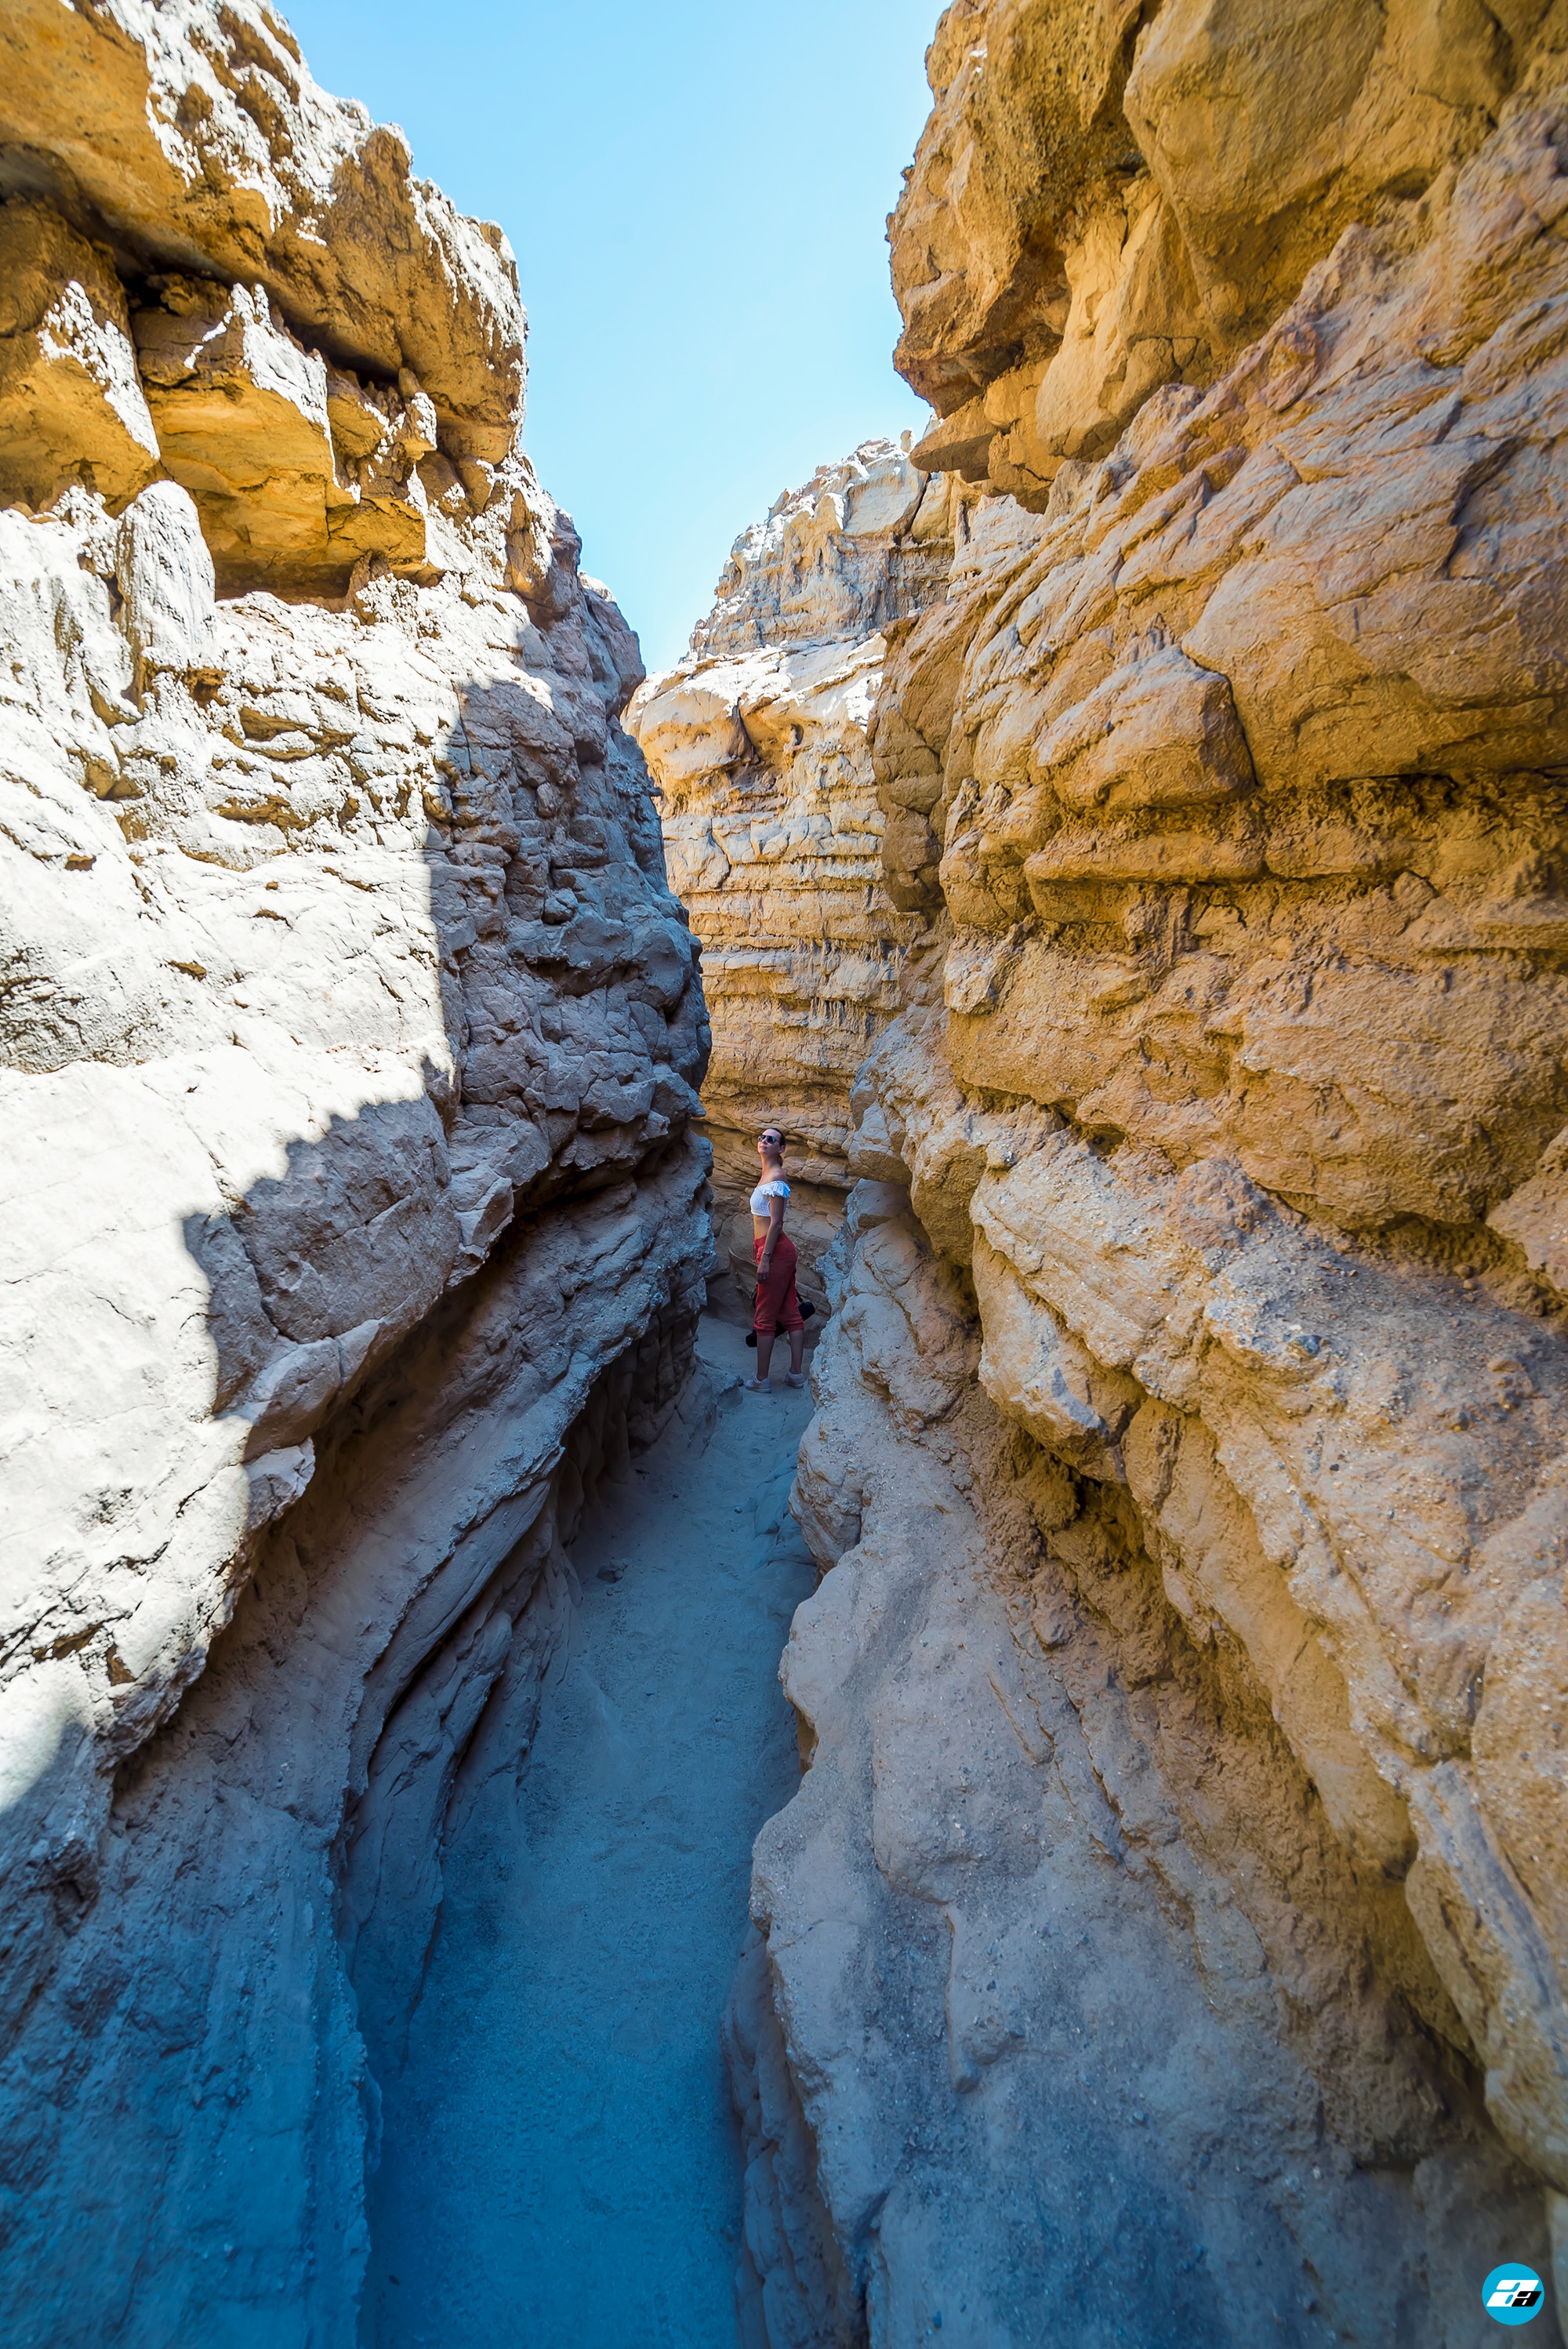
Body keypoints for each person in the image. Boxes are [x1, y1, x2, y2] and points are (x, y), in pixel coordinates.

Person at [743, 1126, 806, 1394]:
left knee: (765, 1316)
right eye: (762, 1137)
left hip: (776, 1252)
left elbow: (777, 1222)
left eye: (772, 1139)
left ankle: (761, 1380)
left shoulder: (777, 1176)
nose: (764, 1141)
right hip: (776, 1251)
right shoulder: (767, 1174)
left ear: (781, 1148)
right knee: (790, 1312)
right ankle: (795, 1375)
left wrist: (765, 1258)